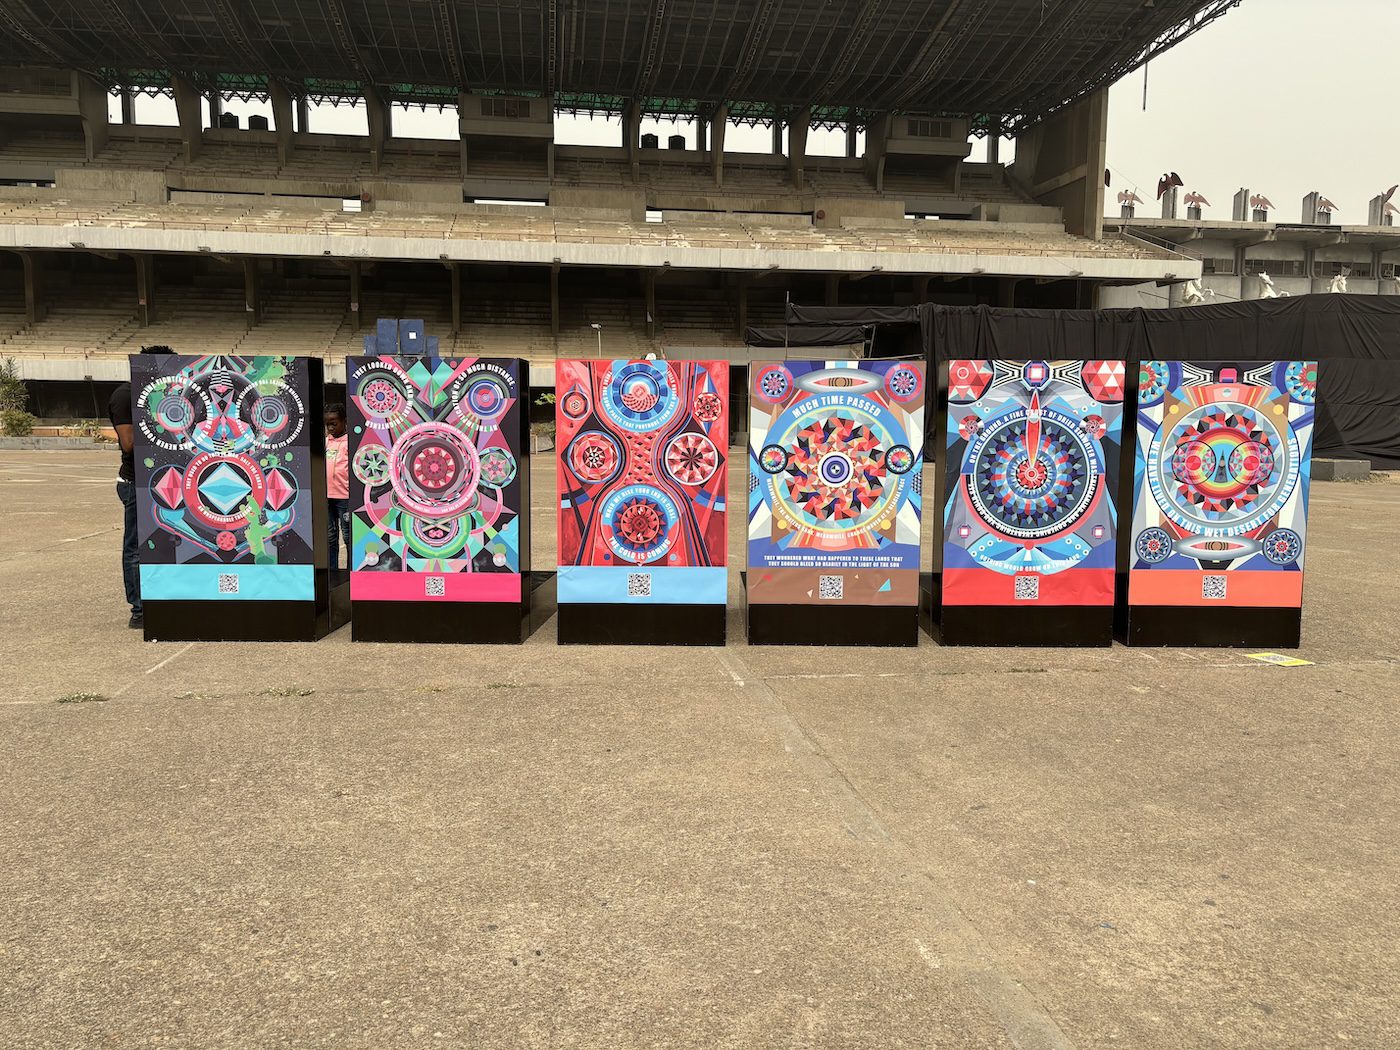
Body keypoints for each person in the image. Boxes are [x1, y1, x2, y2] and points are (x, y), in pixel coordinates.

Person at [108, 345, 173, 629]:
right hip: (137, 482)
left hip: (163, 480)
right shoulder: (125, 396)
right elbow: (130, 443)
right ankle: (139, 609)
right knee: (136, 546)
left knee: (166, 542)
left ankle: (164, 599)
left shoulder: (165, 395)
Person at [325, 403, 350, 569]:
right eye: (327, 424)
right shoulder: (327, 441)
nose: (331, 427)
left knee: (348, 535)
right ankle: (333, 572)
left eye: (334, 423)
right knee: (330, 536)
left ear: (344, 421)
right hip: (327, 497)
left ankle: (350, 573)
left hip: (345, 498)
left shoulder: (350, 442)